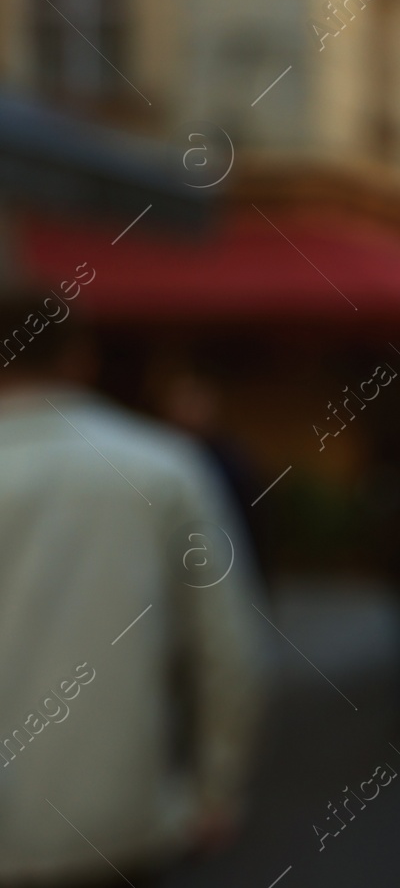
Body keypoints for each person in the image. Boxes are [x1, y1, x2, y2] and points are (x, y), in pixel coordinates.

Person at [0, 294, 264, 886]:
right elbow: (228, 650)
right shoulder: (165, 468)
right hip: (120, 826)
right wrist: (216, 791)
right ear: (80, 359)